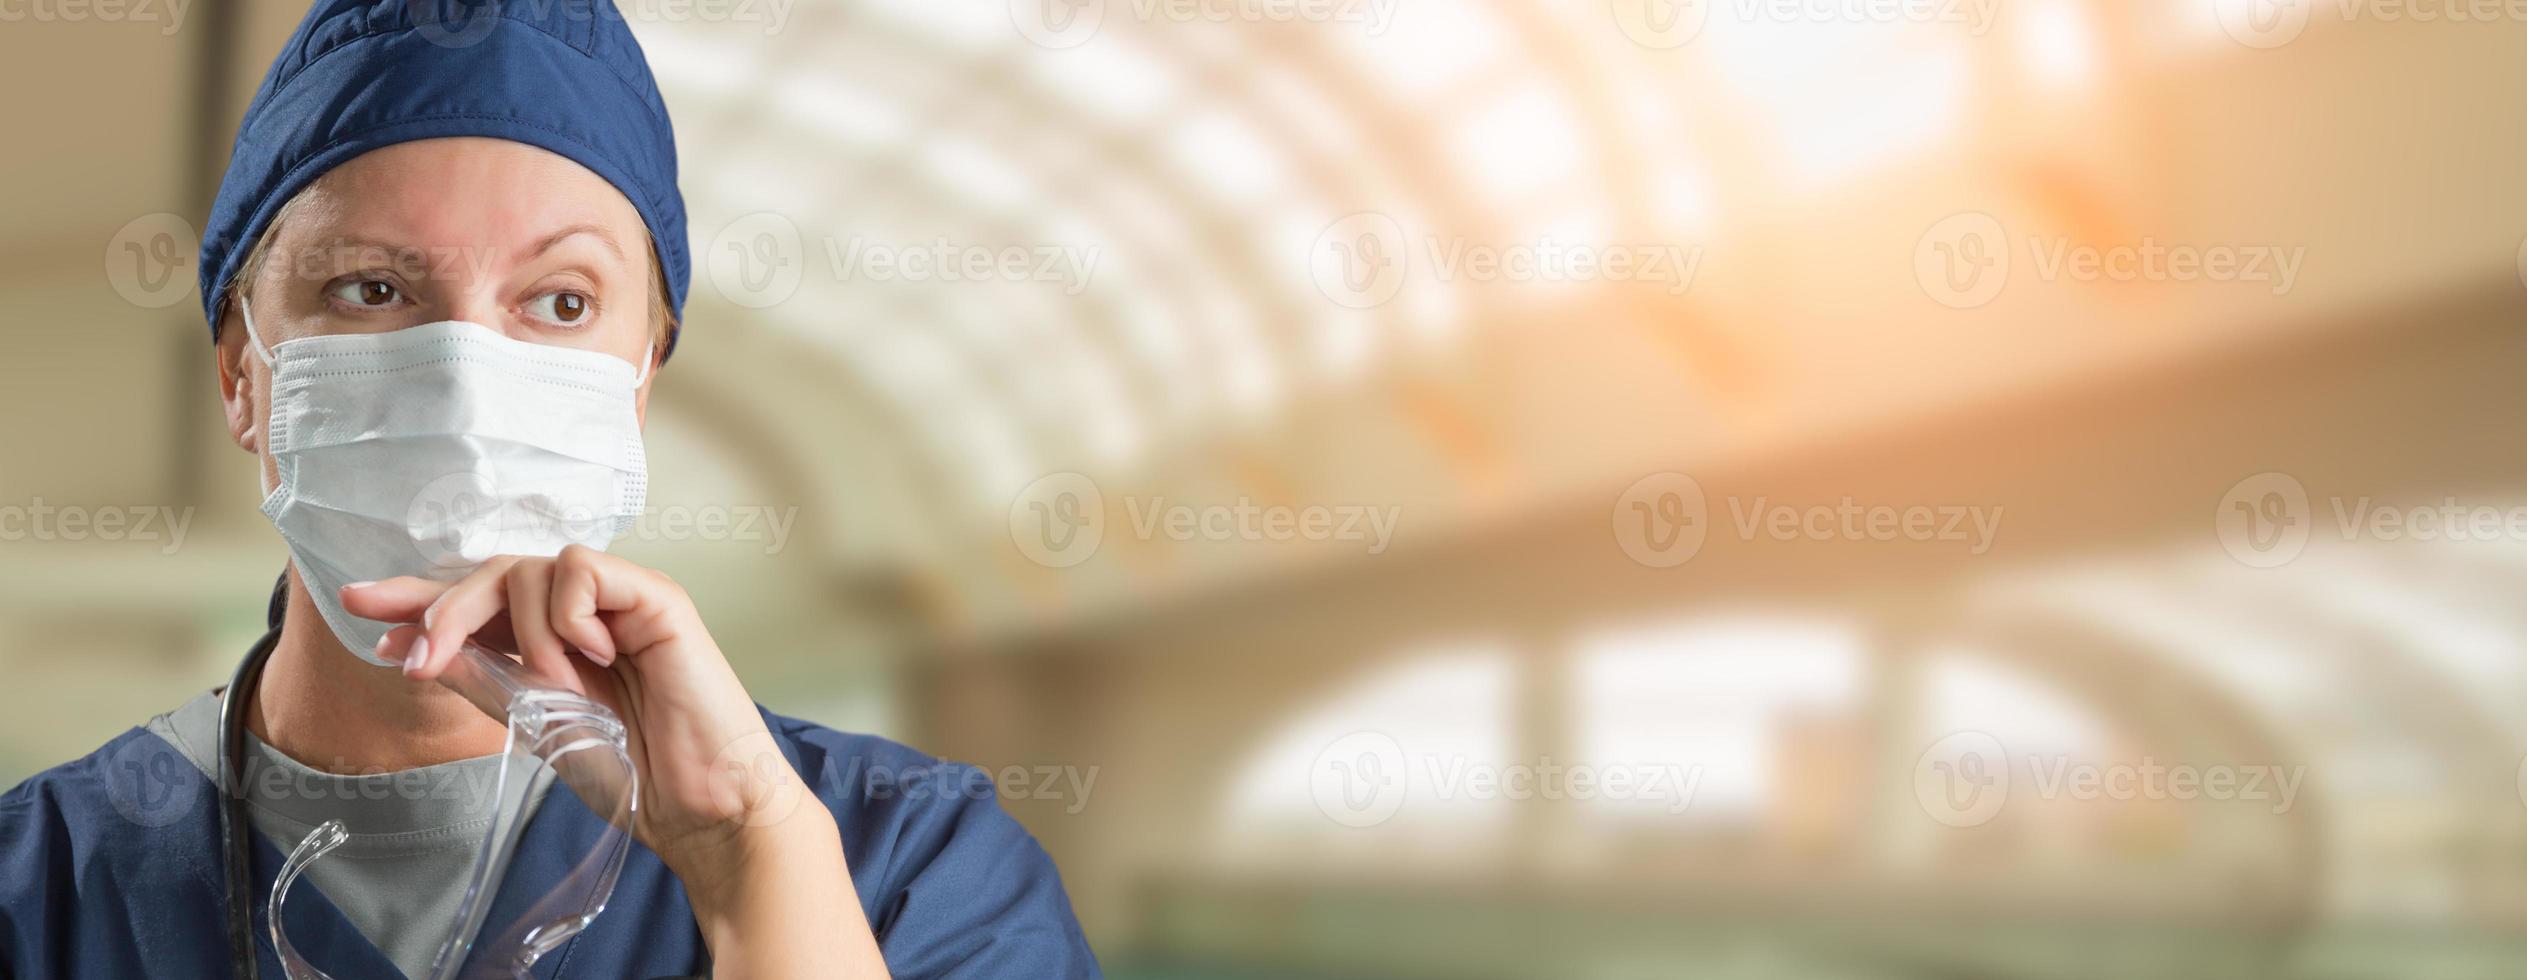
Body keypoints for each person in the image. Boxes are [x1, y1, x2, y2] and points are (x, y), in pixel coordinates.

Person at [0, 0, 1100, 977]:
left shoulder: (911, 864)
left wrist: (751, 852)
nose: (464, 376)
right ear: (245, 377)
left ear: (638, 383)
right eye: (371, 288)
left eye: (561, 301)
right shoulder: (33, 887)